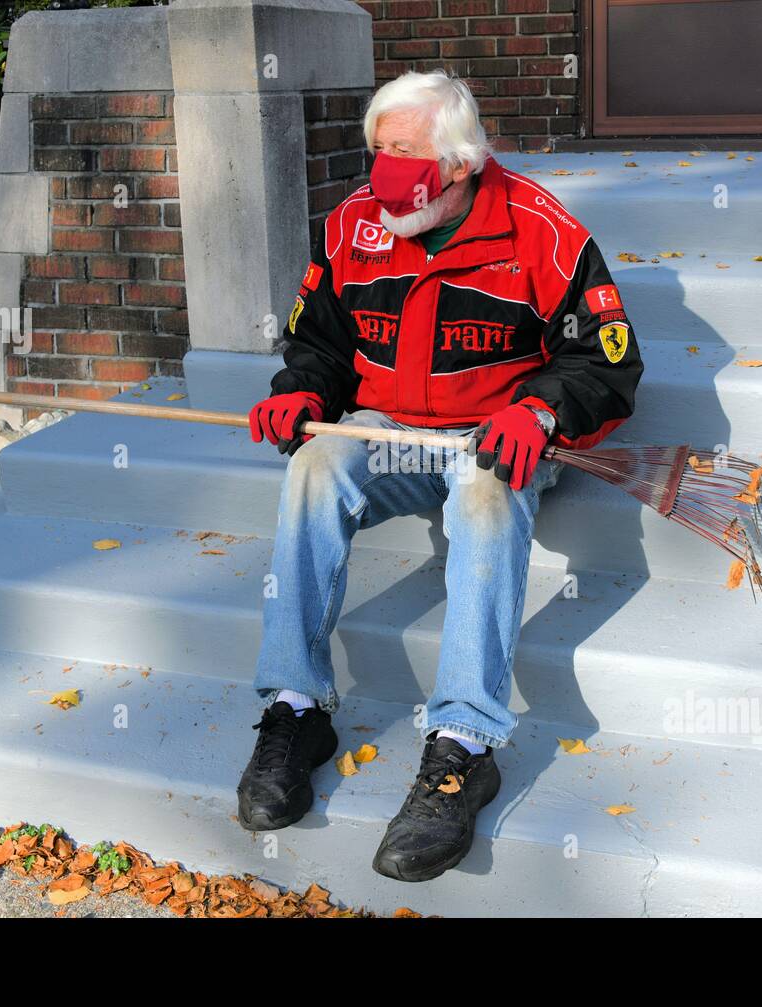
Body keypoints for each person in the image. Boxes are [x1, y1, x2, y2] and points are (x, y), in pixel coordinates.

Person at [237, 69, 642, 883]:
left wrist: (541, 411)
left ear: (459, 163)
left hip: (493, 441)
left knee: (489, 501)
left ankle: (461, 746)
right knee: (316, 463)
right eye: (378, 150)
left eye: (406, 153)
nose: (385, 171)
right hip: (390, 432)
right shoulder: (355, 223)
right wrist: (303, 392)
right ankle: (295, 709)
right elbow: (317, 338)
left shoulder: (541, 231)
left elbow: (612, 358)